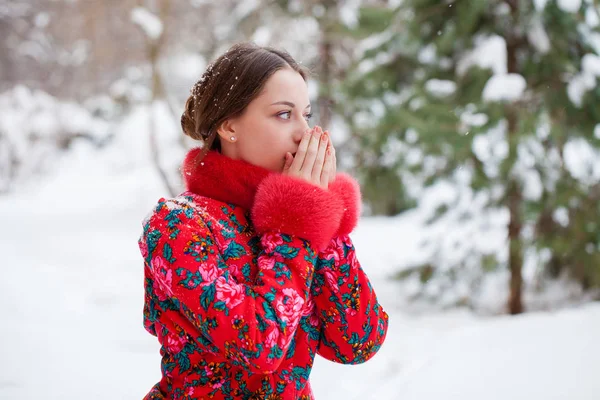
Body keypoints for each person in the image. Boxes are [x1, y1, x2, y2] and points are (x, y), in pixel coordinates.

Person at [138, 42, 389, 400]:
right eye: (284, 114)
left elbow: (358, 341)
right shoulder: (177, 225)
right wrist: (298, 221)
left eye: (307, 114)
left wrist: (322, 211)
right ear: (229, 126)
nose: (303, 132)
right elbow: (259, 346)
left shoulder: (298, 214)